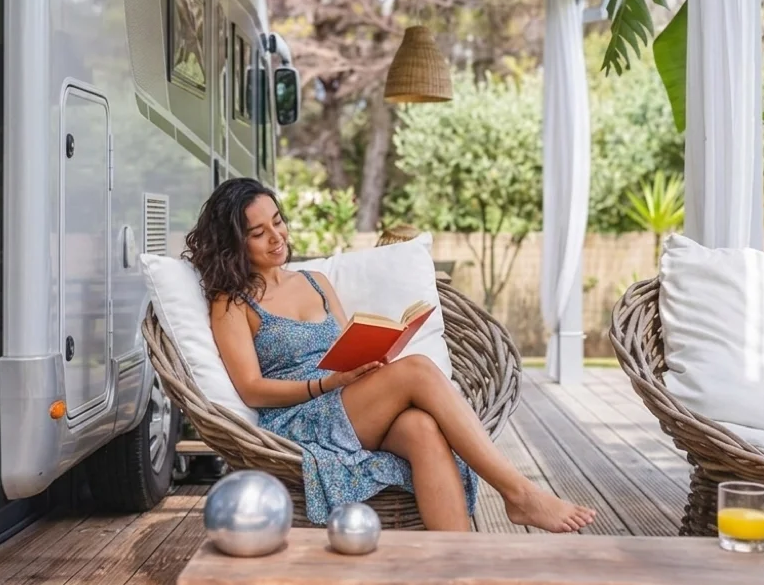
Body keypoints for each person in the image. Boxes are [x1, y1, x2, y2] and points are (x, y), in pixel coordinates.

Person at [185, 177, 597, 533]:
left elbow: (344, 345)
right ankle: (518, 493)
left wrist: (371, 357)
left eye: (278, 222)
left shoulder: (316, 281)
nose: (277, 237)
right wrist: (325, 384)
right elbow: (251, 389)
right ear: (234, 243)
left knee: (422, 428)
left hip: (348, 399)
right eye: (258, 233)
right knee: (417, 369)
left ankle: (459, 564)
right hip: (300, 417)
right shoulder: (232, 302)